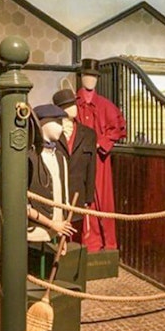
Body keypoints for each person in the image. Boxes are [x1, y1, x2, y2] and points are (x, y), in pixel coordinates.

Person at [72, 59, 126, 253]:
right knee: (78, 199)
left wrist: (100, 143)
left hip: (100, 160)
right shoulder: (72, 103)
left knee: (102, 200)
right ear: (81, 77)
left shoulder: (105, 105)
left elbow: (118, 128)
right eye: (87, 75)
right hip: (77, 160)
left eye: (94, 76)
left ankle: (106, 244)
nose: (90, 80)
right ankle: (79, 244)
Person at [27, 104, 76, 277]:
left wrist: (61, 231)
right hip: (34, 234)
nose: (61, 127)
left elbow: (65, 200)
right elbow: (21, 204)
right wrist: (51, 224)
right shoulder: (29, 159)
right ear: (44, 124)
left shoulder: (61, 158)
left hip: (56, 232)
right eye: (57, 121)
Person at [53, 87, 98, 239]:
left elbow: (91, 167)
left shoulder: (89, 135)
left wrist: (88, 198)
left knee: (76, 240)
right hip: (55, 196)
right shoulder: (52, 133)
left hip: (78, 195)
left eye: (74, 104)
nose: (74, 108)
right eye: (68, 105)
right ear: (60, 109)